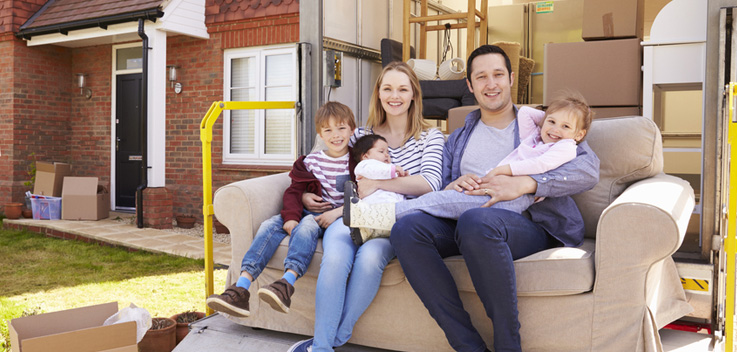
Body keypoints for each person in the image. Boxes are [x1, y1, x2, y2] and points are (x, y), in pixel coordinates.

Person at [390, 45, 600, 352]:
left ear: (511, 78)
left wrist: (528, 184)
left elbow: (587, 170)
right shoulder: (460, 135)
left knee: (478, 221)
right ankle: (468, 346)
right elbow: (444, 186)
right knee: (406, 229)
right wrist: (454, 184)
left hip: (526, 224)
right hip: (467, 216)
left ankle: (507, 346)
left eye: (498, 74)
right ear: (470, 85)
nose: (491, 84)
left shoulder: (545, 124)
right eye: (482, 77)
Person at [288, 61, 445, 352]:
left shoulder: (430, 136)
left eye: (402, 89)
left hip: (396, 219)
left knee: (371, 258)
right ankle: (322, 347)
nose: (394, 95)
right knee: (334, 257)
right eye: (387, 88)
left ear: (414, 95)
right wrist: (306, 194)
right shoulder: (360, 134)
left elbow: (430, 183)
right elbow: (321, 165)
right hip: (352, 214)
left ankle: (336, 336)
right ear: (379, 94)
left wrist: (380, 184)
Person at [344, 93, 594, 244]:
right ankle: (372, 224)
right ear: (471, 86)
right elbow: (528, 113)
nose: (556, 130)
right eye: (552, 122)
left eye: (565, 127)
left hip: (520, 203)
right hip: (489, 190)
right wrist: (549, 119)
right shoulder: (537, 137)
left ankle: (372, 217)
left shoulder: (567, 146)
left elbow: (548, 166)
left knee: (440, 203)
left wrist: (513, 175)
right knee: (438, 202)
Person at [206, 101, 357, 318]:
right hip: (302, 211)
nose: (336, 135)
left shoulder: (357, 161)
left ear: (352, 129)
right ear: (320, 135)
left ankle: (285, 285)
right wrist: (290, 217)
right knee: (269, 224)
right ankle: (240, 289)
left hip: (328, 217)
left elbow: (366, 192)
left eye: (342, 128)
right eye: (328, 130)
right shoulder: (310, 162)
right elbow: (294, 191)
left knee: (305, 227)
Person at [348, 134, 409, 245]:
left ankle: (366, 233)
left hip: (392, 207)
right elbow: (376, 170)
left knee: (384, 226)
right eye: (381, 152)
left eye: (388, 152)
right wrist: (394, 170)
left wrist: (401, 177)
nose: (386, 155)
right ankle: (361, 230)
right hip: (376, 205)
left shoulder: (386, 169)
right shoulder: (365, 165)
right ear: (365, 156)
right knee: (375, 221)